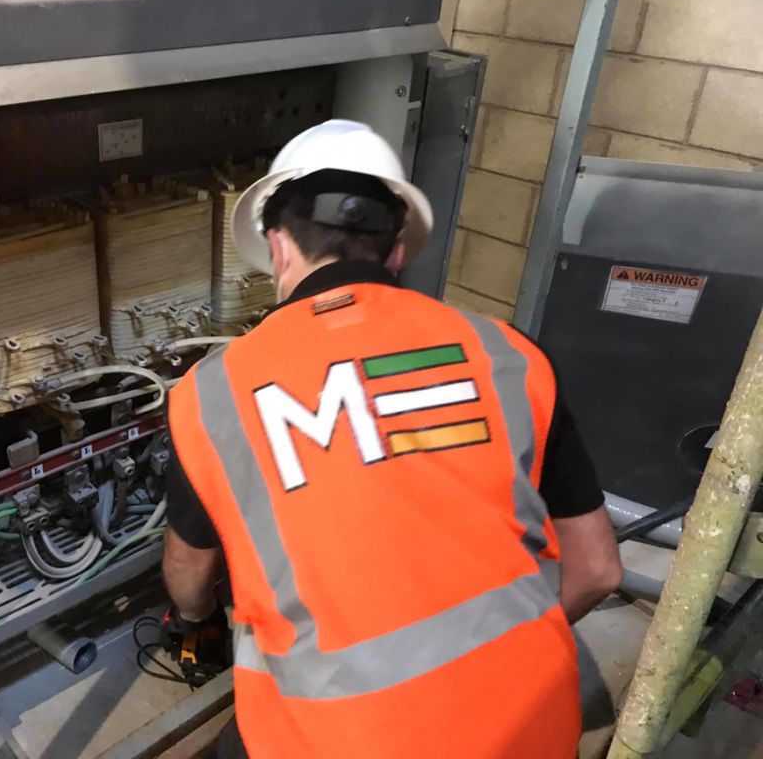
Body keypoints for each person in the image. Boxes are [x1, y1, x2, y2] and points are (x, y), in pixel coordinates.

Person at [161, 120, 622, 758]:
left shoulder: (212, 396)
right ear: (398, 250)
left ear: (277, 249)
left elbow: (190, 569)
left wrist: (191, 622)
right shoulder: (507, 354)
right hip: (533, 727)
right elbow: (598, 570)